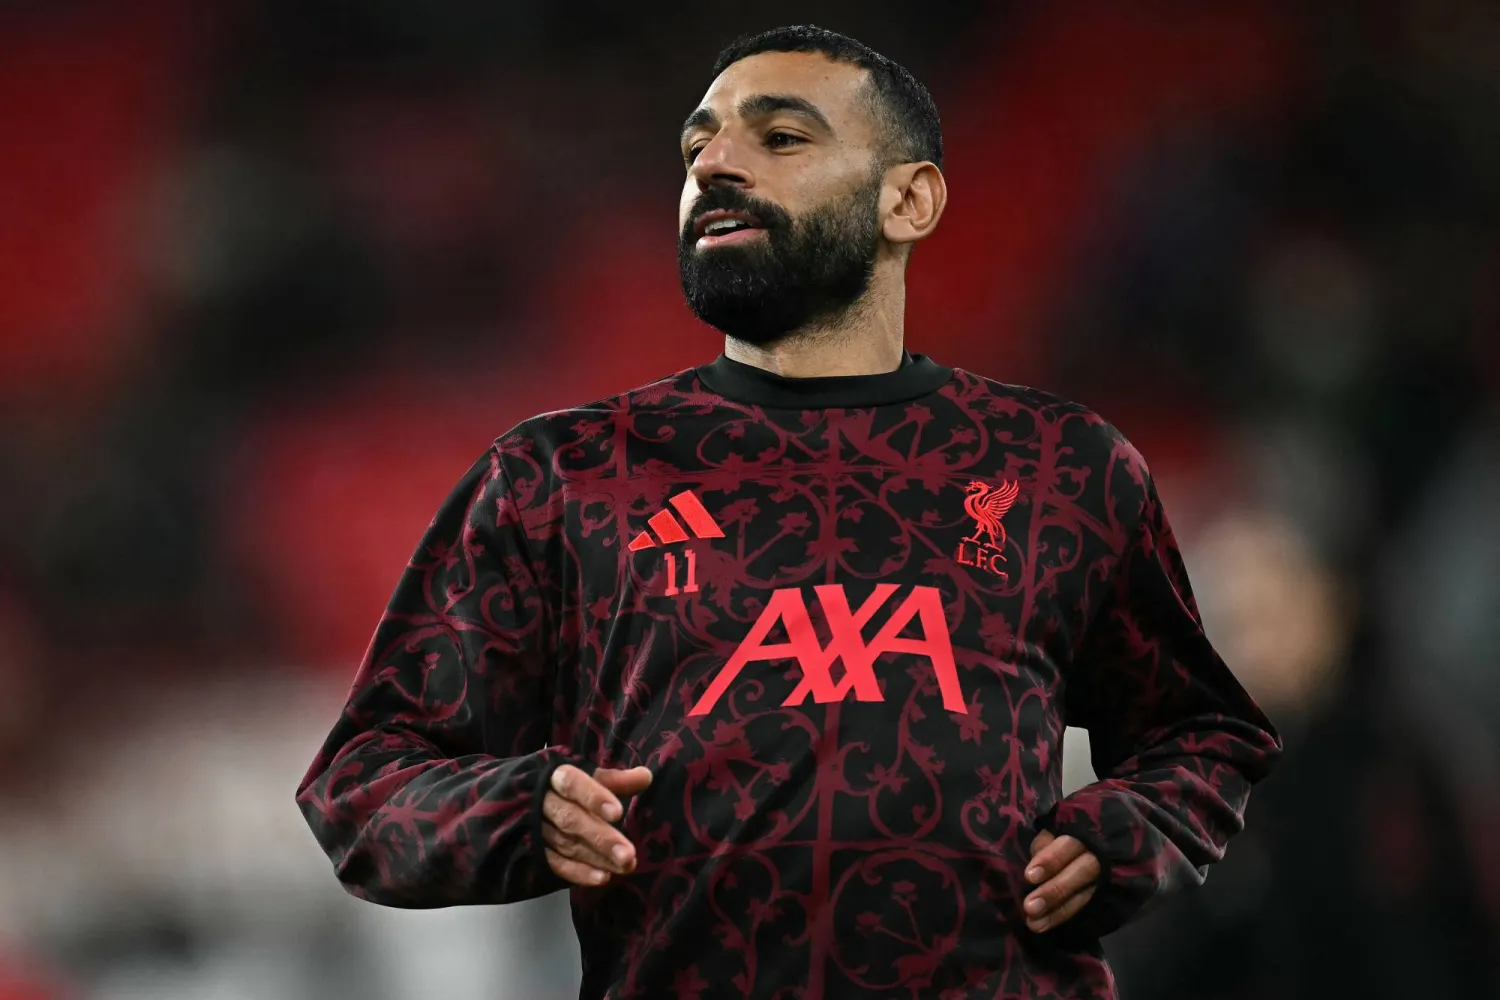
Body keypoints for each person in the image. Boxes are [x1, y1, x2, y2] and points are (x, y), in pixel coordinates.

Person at [296, 25, 1281, 999]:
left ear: (909, 198)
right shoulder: (564, 476)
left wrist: (1128, 832)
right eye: (698, 146)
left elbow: (1201, 733)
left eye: (780, 137)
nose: (716, 165)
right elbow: (362, 783)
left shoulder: (1062, 467)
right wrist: (520, 813)